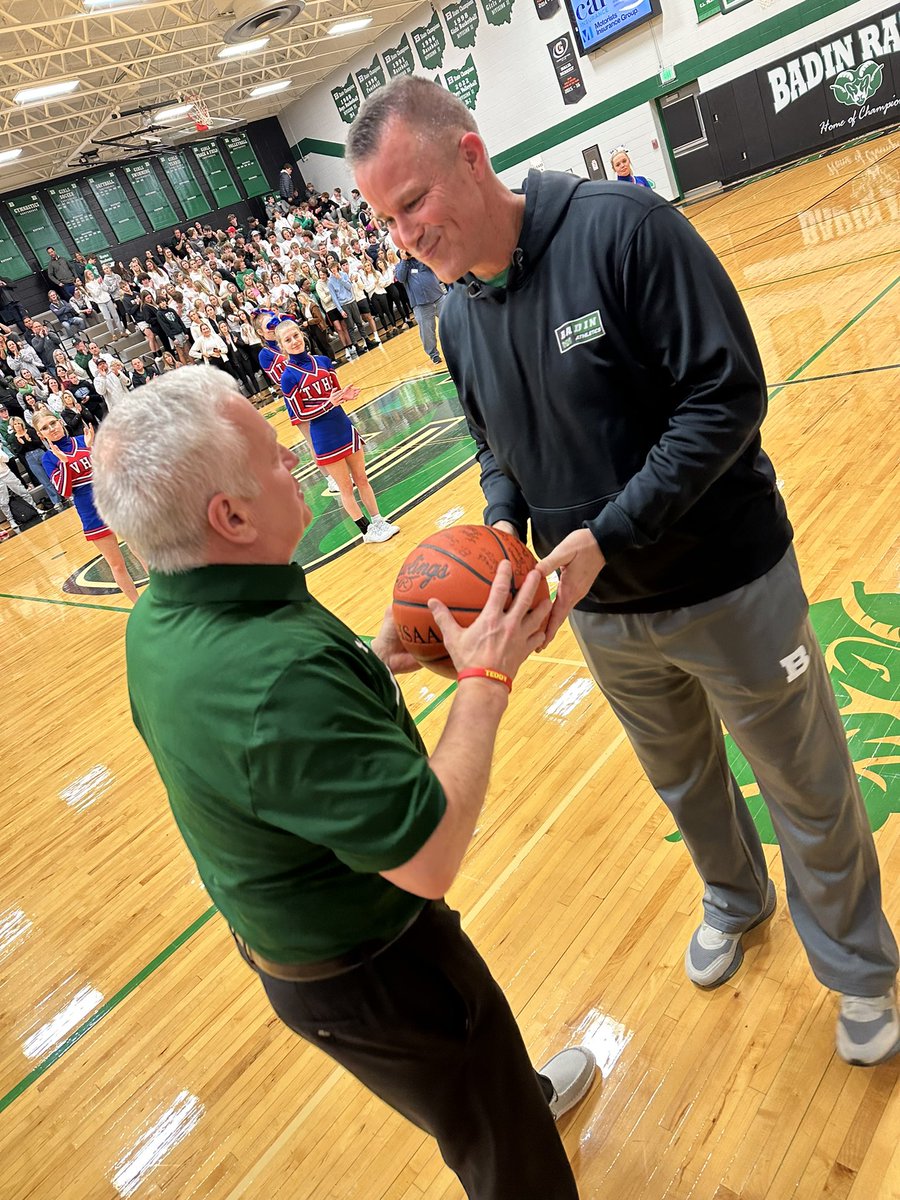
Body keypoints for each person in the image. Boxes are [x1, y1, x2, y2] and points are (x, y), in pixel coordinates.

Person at [347, 76, 900, 1067]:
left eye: (414, 200)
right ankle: (737, 898)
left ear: (470, 156)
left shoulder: (626, 231)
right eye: (387, 218)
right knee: (685, 782)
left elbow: (726, 397)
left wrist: (608, 532)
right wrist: (500, 538)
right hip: (597, 618)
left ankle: (861, 974)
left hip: (729, 583)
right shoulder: (458, 318)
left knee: (805, 784)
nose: (405, 234)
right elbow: (497, 453)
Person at [90, 365, 595, 1199]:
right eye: (275, 459)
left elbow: (274, 742)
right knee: (506, 1157)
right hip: (375, 965)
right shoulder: (279, 678)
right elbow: (429, 855)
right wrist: (484, 683)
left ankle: (510, 1097)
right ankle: (511, 1124)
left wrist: (372, 659)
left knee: (479, 1083)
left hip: (309, 944)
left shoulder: (165, 611)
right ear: (232, 516)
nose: (295, 460)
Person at [275, 320, 398, 544]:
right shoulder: (288, 377)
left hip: (344, 427)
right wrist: (329, 404)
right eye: (288, 340)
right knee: (346, 488)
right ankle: (366, 531)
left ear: (302, 335)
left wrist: (344, 396)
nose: (294, 341)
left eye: (296, 335)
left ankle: (379, 520)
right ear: (282, 346)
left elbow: (334, 394)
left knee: (362, 478)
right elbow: (299, 415)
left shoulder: (323, 361)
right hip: (324, 436)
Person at [34, 408, 145, 602]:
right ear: (40, 434)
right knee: (117, 565)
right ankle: (138, 607)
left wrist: (91, 448)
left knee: (140, 549)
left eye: (52, 423)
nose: (51, 429)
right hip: (90, 512)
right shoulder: (49, 458)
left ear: (60, 421)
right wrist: (65, 462)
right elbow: (65, 491)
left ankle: (163, 599)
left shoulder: (83, 441)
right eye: (44, 428)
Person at [394, 251, 445, 364]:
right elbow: (401, 278)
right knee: (427, 333)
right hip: (421, 305)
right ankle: (433, 354)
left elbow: (432, 261)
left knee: (452, 322)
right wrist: (404, 260)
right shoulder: (400, 267)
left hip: (437, 297)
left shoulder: (422, 258)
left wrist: (416, 253)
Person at [6, 414, 66, 511]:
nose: (17, 425)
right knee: (44, 480)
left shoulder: (30, 431)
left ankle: (65, 493)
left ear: (22, 423)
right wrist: (22, 444)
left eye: (18, 423)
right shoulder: (13, 438)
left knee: (54, 474)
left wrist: (30, 440)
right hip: (29, 458)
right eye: (15, 424)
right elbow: (18, 452)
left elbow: (39, 443)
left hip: (40, 453)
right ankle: (56, 501)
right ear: (13, 426)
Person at [0, 446, 41, 535]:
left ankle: (35, 508)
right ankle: (11, 521)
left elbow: (6, 459)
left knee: (23, 492)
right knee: (3, 502)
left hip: (7, 474)